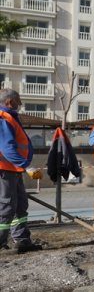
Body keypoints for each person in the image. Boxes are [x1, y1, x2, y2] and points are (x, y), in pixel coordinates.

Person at [0, 89, 42, 253]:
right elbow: (6, 148)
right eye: (18, 101)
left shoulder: (11, 118)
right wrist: (27, 166)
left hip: (13, 169)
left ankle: (22, 240)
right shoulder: (3, 119)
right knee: (6, 206)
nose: (20, 105)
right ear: (9, 102)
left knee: (20, 205)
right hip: (5, 170)